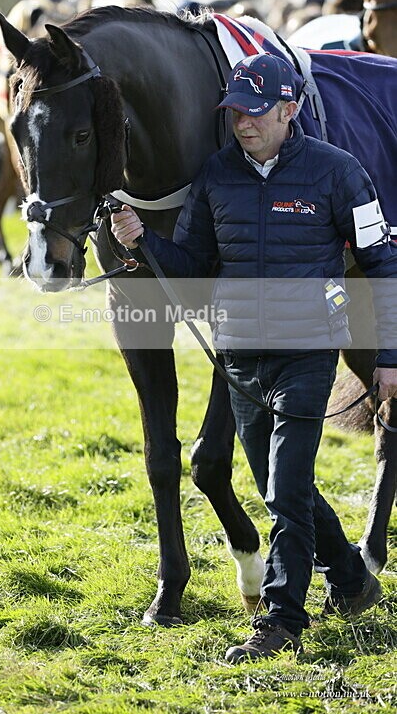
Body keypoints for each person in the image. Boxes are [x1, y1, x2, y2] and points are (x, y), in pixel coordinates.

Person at [111, 53, 397, 662]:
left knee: (289, 487)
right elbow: (188, 265)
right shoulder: (216, 175)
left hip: (307, 353)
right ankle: (350, 578)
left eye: (256, 111)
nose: (243, 122)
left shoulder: (341, 173)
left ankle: (280, 621)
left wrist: (390, 356)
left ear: (290, 110)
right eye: (235, 111)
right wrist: (142, 245)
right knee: (276, 486)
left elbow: (384, 267)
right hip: (238, 358)